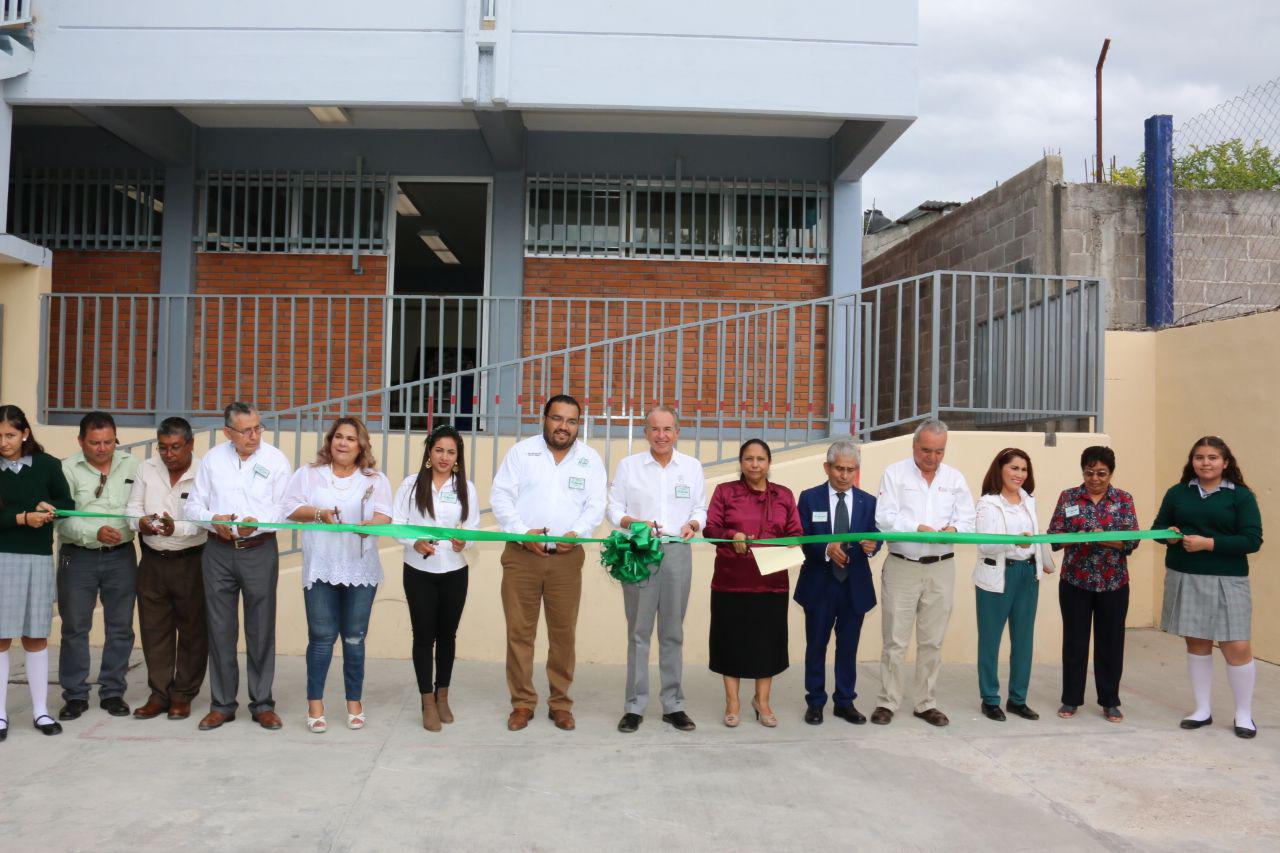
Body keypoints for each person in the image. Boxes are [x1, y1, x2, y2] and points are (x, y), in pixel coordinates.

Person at [491, 394, 606, 732]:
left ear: (577, 425)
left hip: (566, 561)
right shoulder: (521, 453)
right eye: (557, 418)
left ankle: (560, 703)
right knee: (519, 634)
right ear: (544, 418)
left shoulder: (590, 459)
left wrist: (579, 533)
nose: (563, 427)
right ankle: (523, 703)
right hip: (521, 556)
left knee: (563, 635)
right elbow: (501, 496)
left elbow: (596, 504)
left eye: (571, 421)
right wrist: (521, 532)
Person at [185, 402, 291, 731]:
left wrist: (257, 523)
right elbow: (193, 505)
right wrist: (210, 519)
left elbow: (285, 509)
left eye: (258, 428)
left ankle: (262, 703)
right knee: (220, 630)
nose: (255, 435)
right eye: (247, 430)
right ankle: (222, 704)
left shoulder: (275, 460)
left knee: (260, 629)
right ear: (228, 432)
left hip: (259, 550)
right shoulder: (213, 460)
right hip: (218, 552)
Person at [283, 417, 391, 734]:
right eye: (338, 437)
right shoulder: (309, 474)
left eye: (350, 439)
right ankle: (315, 704)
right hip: (321, 567)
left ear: (361, 446)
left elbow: (386, 514)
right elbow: (289, 506)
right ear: (330, 441)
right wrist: (320, 514)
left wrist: (368, 527)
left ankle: (354, 703)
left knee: (355, 639)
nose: (343, 443)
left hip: (360, 568)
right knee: (321, 639)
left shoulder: (374, 479)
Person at [1154, 436, 1263, 739]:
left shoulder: (1241, 496)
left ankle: (1244, 714)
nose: (1205, 462)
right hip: (1185, 576)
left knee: (1237, 646)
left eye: (1213, 457)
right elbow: (1159, 529)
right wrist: (1170, 535)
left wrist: (1209, 544)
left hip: (1229, 580)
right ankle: (1202, 710)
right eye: (1199, 457)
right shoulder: (1177, 493)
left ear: (1225, 462)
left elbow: (1252, 540)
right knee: (1197, 643)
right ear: (1192, 462)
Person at [607, 406, 706, 734]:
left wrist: (694, 522)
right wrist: (632, 522)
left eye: (668, 429)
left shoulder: (691, 467)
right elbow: (614, 509)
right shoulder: (629, 467)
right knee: (638, 632)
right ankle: (634, 706)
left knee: (672, 632)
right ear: (646, 432)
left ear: (677, 432)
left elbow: (699, 507)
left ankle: (673, 704)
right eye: (655, 429)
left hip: (678, 553)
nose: (662, 435)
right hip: (640, 552)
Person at [872, 418, 975, 727]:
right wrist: (916, 529)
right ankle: (887, 702)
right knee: (895, 640)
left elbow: (969, 518)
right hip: (903, 565)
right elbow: (884, 517)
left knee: (932, 641)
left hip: (942, 568)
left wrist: (954, 529)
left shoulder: (955, 479)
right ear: (914, 445)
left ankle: (925, 702)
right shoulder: (894, 473)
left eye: (939, 451)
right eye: (927, 450)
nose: (933, 457)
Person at [703, 439, 802, 728]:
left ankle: (762, 701)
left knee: (766, 646)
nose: (755, 464)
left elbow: (797, 533)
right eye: (749, 459)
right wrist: (732, 534)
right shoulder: (724, 492)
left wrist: (783, 541)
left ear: (769, 463)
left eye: (760, 459)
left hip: (771, 584)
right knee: (730, 643)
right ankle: (732, 701)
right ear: (741, 462)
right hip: (730, 583)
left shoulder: (784, 495)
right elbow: (711, 528)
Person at [392, 425, 479, 733]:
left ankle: (443, 695)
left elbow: (471, 528)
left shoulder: (465, 486)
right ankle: (427, 700)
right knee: (423, 636)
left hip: (455, 571)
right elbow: (398, 523)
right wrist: (414, 542)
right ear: (429, 452)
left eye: (451, 452)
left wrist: (462, 543)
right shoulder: (410, 485)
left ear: (458, 458)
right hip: (419, 571)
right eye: (439, 450)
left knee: (448, 636)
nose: (444, 457)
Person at [56, 411, 140, 721]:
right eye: (95, 443)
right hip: (78, 556)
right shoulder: (65, 469)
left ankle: (113, 691)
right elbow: (62, 519)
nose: (103, 449)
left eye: (109, 442)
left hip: (121, 555)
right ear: (81, 441)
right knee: (75, 627)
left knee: (120, 627)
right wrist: (94, 532)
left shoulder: (132, 465)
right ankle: (75, 695)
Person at [124, 417, 208, 721]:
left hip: (192, 560)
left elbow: (205, 518)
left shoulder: (205, 472)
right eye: (163, 448)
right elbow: (132, 509)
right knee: (154, 631)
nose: (168, 454)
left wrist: (177, 529)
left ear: (190, 444)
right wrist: (140, 523)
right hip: (153, 561)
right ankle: (159, 694)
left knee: (193, 632)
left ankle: (183, 695)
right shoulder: (146, 468)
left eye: (175, 447)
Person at [1046, 446, 1139, 722]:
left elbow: (1132, 540)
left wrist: (1102, 537)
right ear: (1082, 471)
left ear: (1111, 473)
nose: (1095, 478)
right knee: (1075, 642)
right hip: (1076, 582)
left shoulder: (1123, 499)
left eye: (1101, 473)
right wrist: (1078, 535)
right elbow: (1054, 538)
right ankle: (1070, 699)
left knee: (1111, 643)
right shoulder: (1069, 497)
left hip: (1114, 583)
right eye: (1089, 472)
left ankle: (1110, 700)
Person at [0, 405, 74, 740]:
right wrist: (22, 518)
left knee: (36, 636)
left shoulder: (48, 465)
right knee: (1, 638)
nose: (4, 442)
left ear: (25, 433)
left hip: (38, 558)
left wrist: (51, 509)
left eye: (10, 435)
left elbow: (66, 503)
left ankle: (41, 711)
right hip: (2, 558)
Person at [794, 440, 880, 726]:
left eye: (851, 470)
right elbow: (802, 537)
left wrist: (873, 544)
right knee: (816, 645)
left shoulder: (867, 501)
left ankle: (845, 701)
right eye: (839, 469)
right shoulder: (809, 498)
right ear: (827, 467)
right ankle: (815, 701)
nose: (844, 475)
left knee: (848, 647)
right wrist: (825, 548)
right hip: (820, 583)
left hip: (854, 587)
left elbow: (875, 534)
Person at [973, 448, 1055, 722]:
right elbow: (984, 544)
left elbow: (1037, 534)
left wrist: (1043, 559)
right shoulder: (987, 503)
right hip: (998, 576)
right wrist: (1014, 542)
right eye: (1014, 468)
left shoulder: (1028, 500)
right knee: (990, 641)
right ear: (1000, 469)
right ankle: (990, 699)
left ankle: (1018, 699)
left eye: (1024, 469)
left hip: (1027, 575)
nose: (1020, 474)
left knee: (1023, 641)